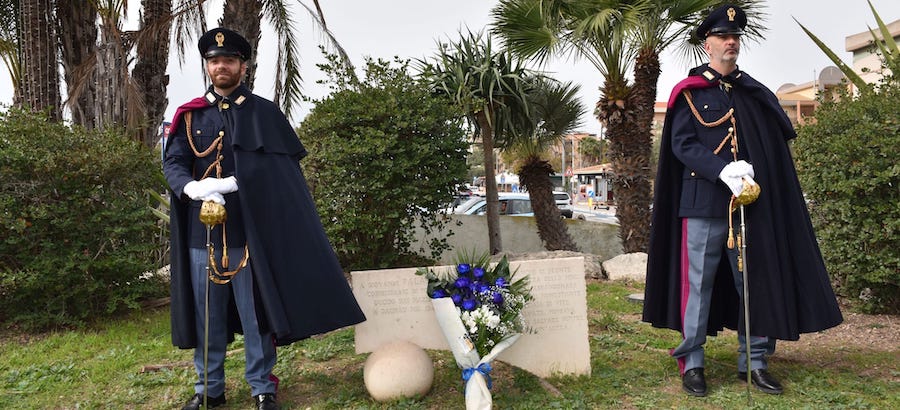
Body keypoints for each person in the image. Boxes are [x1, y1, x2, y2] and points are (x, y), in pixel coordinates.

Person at [642, 5, 843, 398]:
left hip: (750, 207)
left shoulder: (752, 91)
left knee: (755, 283)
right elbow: (682, 144)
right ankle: (693, 363)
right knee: (697, 285)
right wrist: (721, 170)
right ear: (707, 43)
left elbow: (771, 145)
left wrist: (752, 175)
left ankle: (753, 362)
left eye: (735, 37)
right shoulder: (689, 92)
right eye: (722, 37)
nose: (730, 42)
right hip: (702, 202)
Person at [164, 28, 366, 410]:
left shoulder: (264, 114)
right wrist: (191, 188)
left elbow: (279, 174)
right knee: (208, 315)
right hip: (200, 234)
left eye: (228, 60)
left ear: (243, 65)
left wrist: (237, 183)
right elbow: (174, 162)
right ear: (207, 66)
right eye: (213, 61)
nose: (220, 66)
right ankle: (209, 388)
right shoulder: (190, 115)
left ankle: (262, 386)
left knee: (256, 314)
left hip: (251, 233)